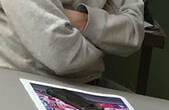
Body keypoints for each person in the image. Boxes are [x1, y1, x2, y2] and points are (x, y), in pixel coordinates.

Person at [0, 0, 144, 84]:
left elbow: (134, 34)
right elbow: (62, 56)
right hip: (23, 81)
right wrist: (106, 40)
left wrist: (83, 20)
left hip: (89, 84)